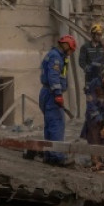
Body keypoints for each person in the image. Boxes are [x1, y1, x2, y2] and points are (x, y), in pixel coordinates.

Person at [40, 34, 76, 165]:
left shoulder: (55, 54)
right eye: (71, 50)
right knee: (57, 124)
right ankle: (57, 156)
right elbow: (53, 76)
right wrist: (57, 94)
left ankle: (49, 154)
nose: (70, 53)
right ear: (66, 46)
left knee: (50, 125)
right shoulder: (56, 58)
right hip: (51, 94)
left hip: (47, 93)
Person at [78, 24, 104, 91]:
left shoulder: (103, 47)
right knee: (90, 98)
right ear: (93, 35)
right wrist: (87, 68)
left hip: (101, 77)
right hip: (90, 77)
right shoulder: (85, 47)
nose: (99, 37)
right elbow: (81, 61)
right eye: (98, 34)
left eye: (100, 35)